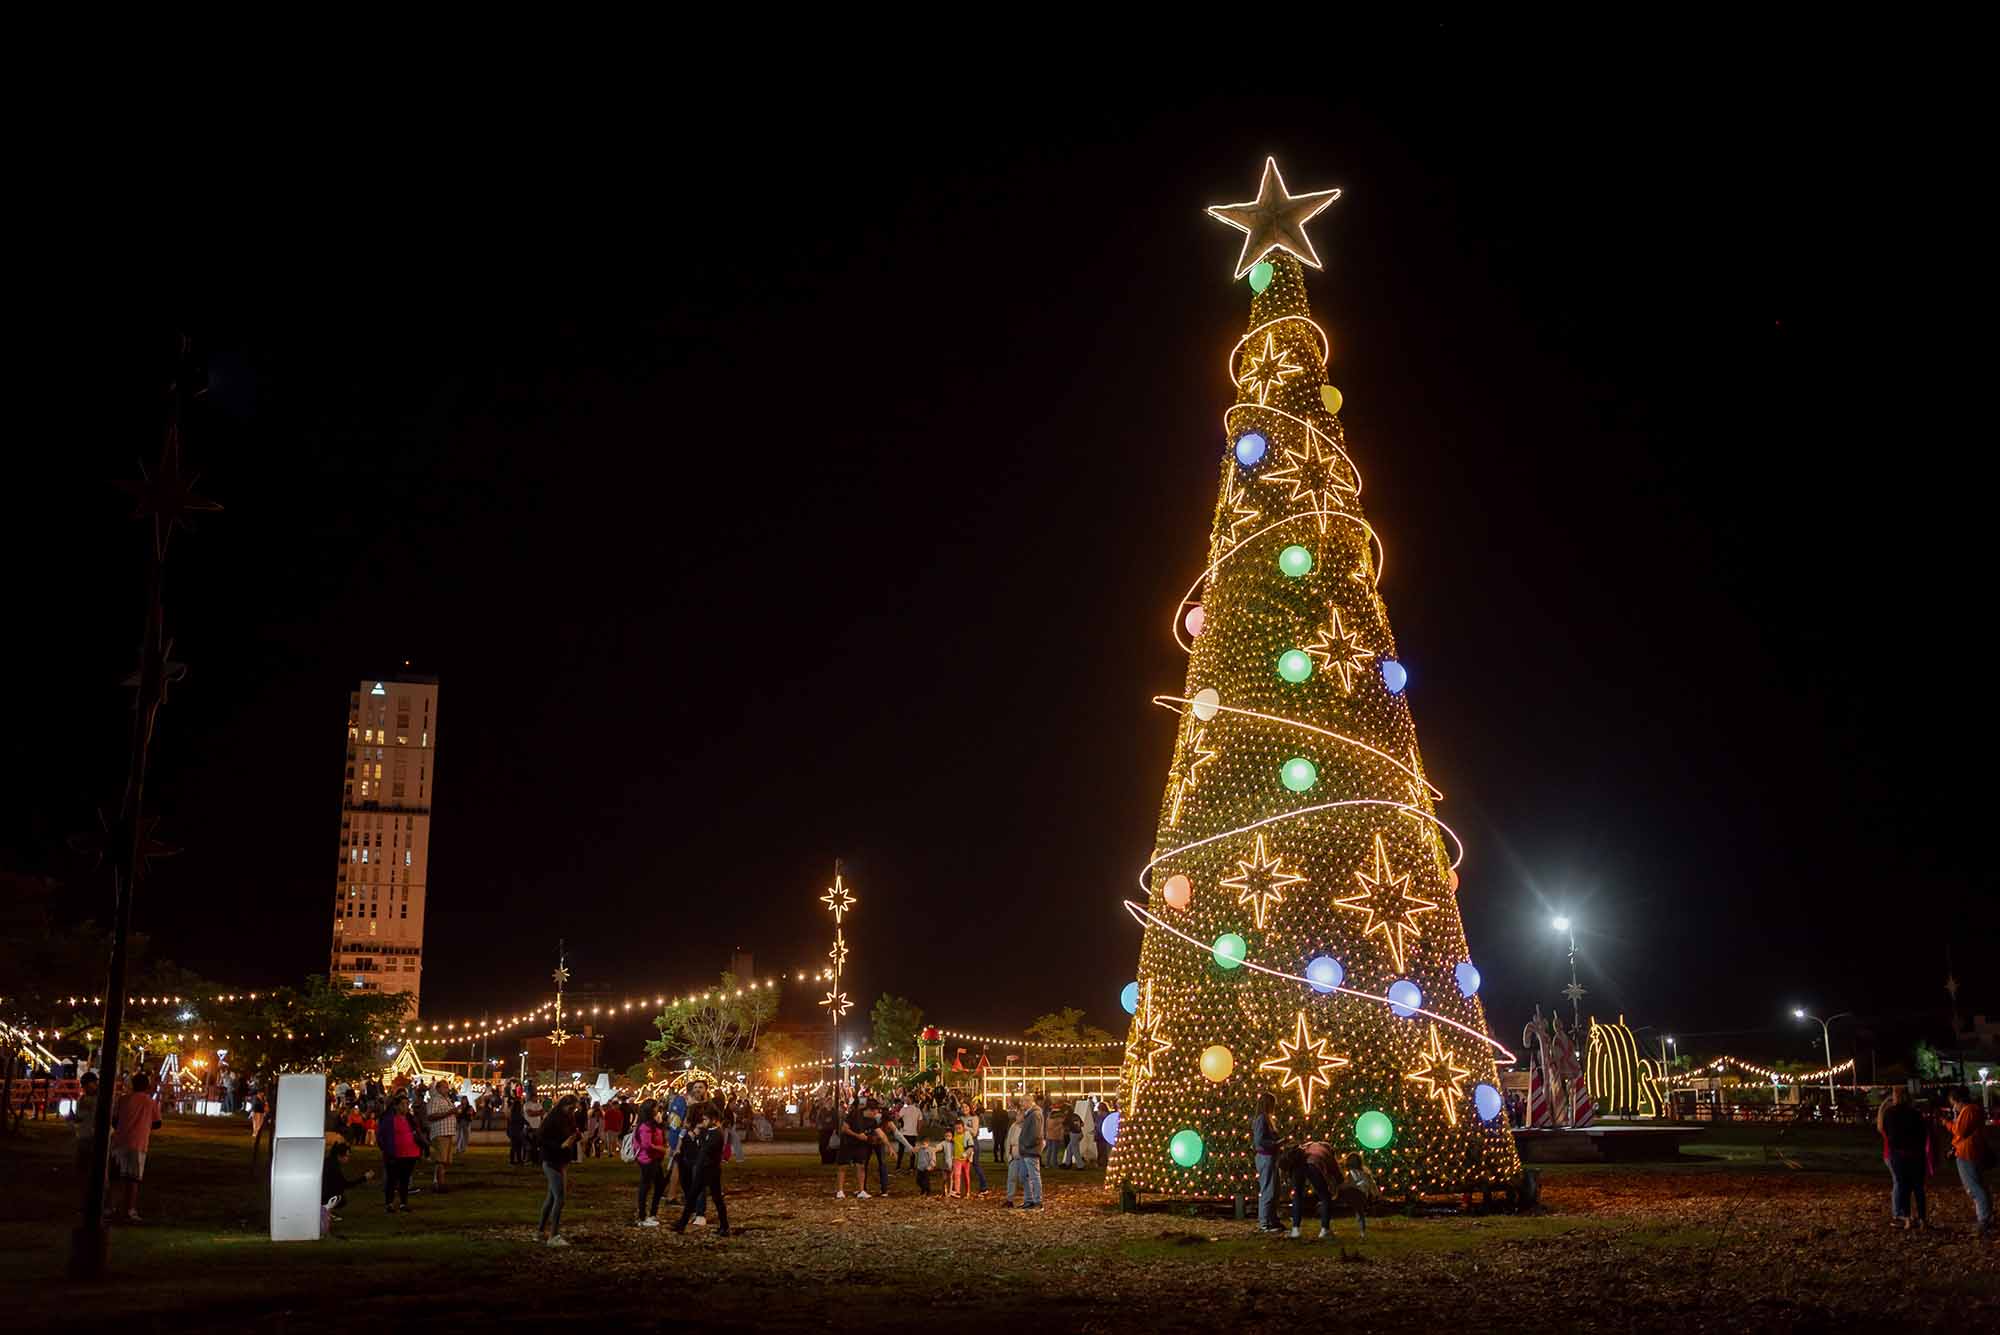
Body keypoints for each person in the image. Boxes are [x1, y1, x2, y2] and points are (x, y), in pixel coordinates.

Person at [108, 1070, 162, 1224]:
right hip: (138, 1143)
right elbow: (157, 1123)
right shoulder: (150, 1102)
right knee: (133, 1179)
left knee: (115, 1178)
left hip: (119, 1142)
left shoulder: (123, 1100)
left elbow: (114, 1120)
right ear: (147, 1086)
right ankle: (130, 1210)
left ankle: (111, 1207)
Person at [673, 1103, 730, 1235]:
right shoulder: (707, 1132)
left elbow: (705, 1149)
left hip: (711, 1170)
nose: (702, 1122)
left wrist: (698, 1137)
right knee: (693, 1197)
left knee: (716, 1199)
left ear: (713, 1119)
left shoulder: (717, 1134)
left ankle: (724, 1226)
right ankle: (682, 1224)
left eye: (705, 1119)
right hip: (703, 1169)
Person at [1878, 1087, 1930, 1229]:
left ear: (1895, 1097)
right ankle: (1922, 1219)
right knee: (1918, 1187)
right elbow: (1923, 1133)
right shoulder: (1915, 1114)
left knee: (1903, 1187)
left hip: (1899, 1154)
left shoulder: (1890, 1114)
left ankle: (1906, 1218)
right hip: (1916, 1154)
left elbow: (1888, 1133)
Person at [1946, 1086, 1992, 1237]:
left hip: (1968, 1153)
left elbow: (1960, 1131)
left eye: (1954, 1103)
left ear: (1959, 1100)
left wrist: (1946, 1122)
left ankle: (1984, 1220)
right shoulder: (1971, 1110)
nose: (1954, 1107)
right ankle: (1984, 1217)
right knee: (1977, 1186)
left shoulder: (1969, 1110)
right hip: (1969, 1151)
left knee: (1974, 1188)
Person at [538, 1093, 581, 1246]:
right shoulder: (551, 1119)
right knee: (559, 1198)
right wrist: (559, 1146)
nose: (572, 1111)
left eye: (574, 1109)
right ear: (563, 1105)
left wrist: (576, 1136)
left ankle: (540, 1231)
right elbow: (541, 1139)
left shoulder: (568, 1118)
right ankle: (553, 1235)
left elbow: (571, 1133)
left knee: (551, 1198)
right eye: (570, 1108)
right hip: (552, 1160)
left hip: (562, 1159)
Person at [378, 1091, 428, 1213]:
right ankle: (389, 1203)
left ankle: (403, 1203)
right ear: (396, 1106)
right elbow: (381, 1135)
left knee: (405, 1179)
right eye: (403, 1104)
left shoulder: (410, 1119)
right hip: (395, 1154)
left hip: (410, 1153)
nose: (405, 1107)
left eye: (407, 1104)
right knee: (392, 1179)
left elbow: (417, 1132)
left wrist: (422, 1145)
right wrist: (386, 1149)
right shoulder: (389, 1119)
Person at [1279, 1141, 1338, 1239]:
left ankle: (1295, 1230)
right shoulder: (1327, 1151)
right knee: (1325, 1196)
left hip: (1298, 1166)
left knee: (1297, 1195)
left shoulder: (1307, 1146)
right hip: (1313, 1165)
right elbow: (1336, 1172)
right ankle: (1325, 1230)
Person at [635, 1099, 670, 1226]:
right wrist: (661, 1148)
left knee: (659, 1184)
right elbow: (646, 1145)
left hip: (655, 1158)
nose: (658, 1110)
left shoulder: (654, 1124)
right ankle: (642, 1217)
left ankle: (652, 1213)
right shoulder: (645, 1126)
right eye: (656, 1108)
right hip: (647, 1159)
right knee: (646, 1186)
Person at [1252, 1092, 1281, 1233]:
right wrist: (1275, 1143)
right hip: (1266, 1157)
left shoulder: (1267, 1119)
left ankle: (1272, 1219)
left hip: (1271, 1157)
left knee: (1274, 1190)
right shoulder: (1261, 1120)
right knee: (1268, 1190)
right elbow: (1259, 1141)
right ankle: (1264, 1222)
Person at [835, 1098, 875, 1199]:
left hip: (860, 1145)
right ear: (869, 1109)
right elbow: (844, 1128)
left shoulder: (871, 1120)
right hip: (848, 1143)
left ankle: (861, 1190)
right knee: (843, 1166)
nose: (876, 1113)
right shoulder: (854, 1114)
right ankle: (840, 1190)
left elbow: (879, 1133)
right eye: (875, 1111)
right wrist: (857, 1136)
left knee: (861, 1166)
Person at [322, 1139, 375, 1216]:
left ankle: (326, 1210)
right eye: (347, 1156)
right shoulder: (334, 1167)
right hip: (323, 1195)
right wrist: (364, 1178)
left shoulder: (329, 1162)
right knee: (340, 1198)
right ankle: (326, 1210)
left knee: (339, 1193)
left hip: (320, 1192)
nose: (348, 1158)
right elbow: (346, 1184)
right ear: (339, 1156)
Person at [1009, 1094, 1044, 1209]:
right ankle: (1029, 1199)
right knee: (1024, 1176)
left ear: (1028, 1101)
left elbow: (1036, 1134)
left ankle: (1037, 1200)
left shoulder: (1035, 1114)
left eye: (1022, 1102)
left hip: (1031, 1150)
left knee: (1033, 1176)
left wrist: (1026, 1145)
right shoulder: (1030, 1114)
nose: (1021, 1105)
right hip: (1026, 1150)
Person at [424, 1079, 458, 1194]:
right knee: (441, 1160)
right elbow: (431, 1116)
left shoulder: (447, 1099)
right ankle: (440, 1184)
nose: (447, 1089)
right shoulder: (435, 1100)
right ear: (438, 1088)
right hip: (440, 1133)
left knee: (445, 1160)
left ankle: (438, 1182)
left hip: (448, 1132)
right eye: (444, 1087)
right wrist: (449, 1113)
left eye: (447, 1087)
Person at [1336, 1153, 1380, 1236]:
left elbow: (1371, 1184)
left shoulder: (1363, 1174)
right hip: (1356, 1195)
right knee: (1359, 1211)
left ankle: (1362, 1230)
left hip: (1360, 1195)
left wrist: (1375, 1194)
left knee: (1359, 1211)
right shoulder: (1352, 1173)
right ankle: (1362, 1230)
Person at [72, 1071, 100, 1179]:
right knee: (83, 1165)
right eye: (84, 1086)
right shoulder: (82, 1099)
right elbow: (79, 1117)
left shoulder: (100, 1099)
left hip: (93, 1136)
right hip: (83, 1135)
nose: (85, 1088)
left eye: (87, 1085)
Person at [1062, 1103, 1084, 1168]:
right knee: (1069, 1149)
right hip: (1080, 1133)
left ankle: (1080, 1165)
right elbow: (1082, 1124)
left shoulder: (1068, 1117)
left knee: (1075, 1150)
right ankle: (1067, 1163)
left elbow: (1064, 1125)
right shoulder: (1076, 1115)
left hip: (1074, 1134)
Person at [506, 1096, 527, 1165]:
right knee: (518, 1146)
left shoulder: (512, 1114)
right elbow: (522, 1121)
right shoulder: (518, 1114)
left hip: (513, 1132)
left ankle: (514, 1160)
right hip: (517, 1132)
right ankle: (518, 1160)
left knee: (514, 1147)